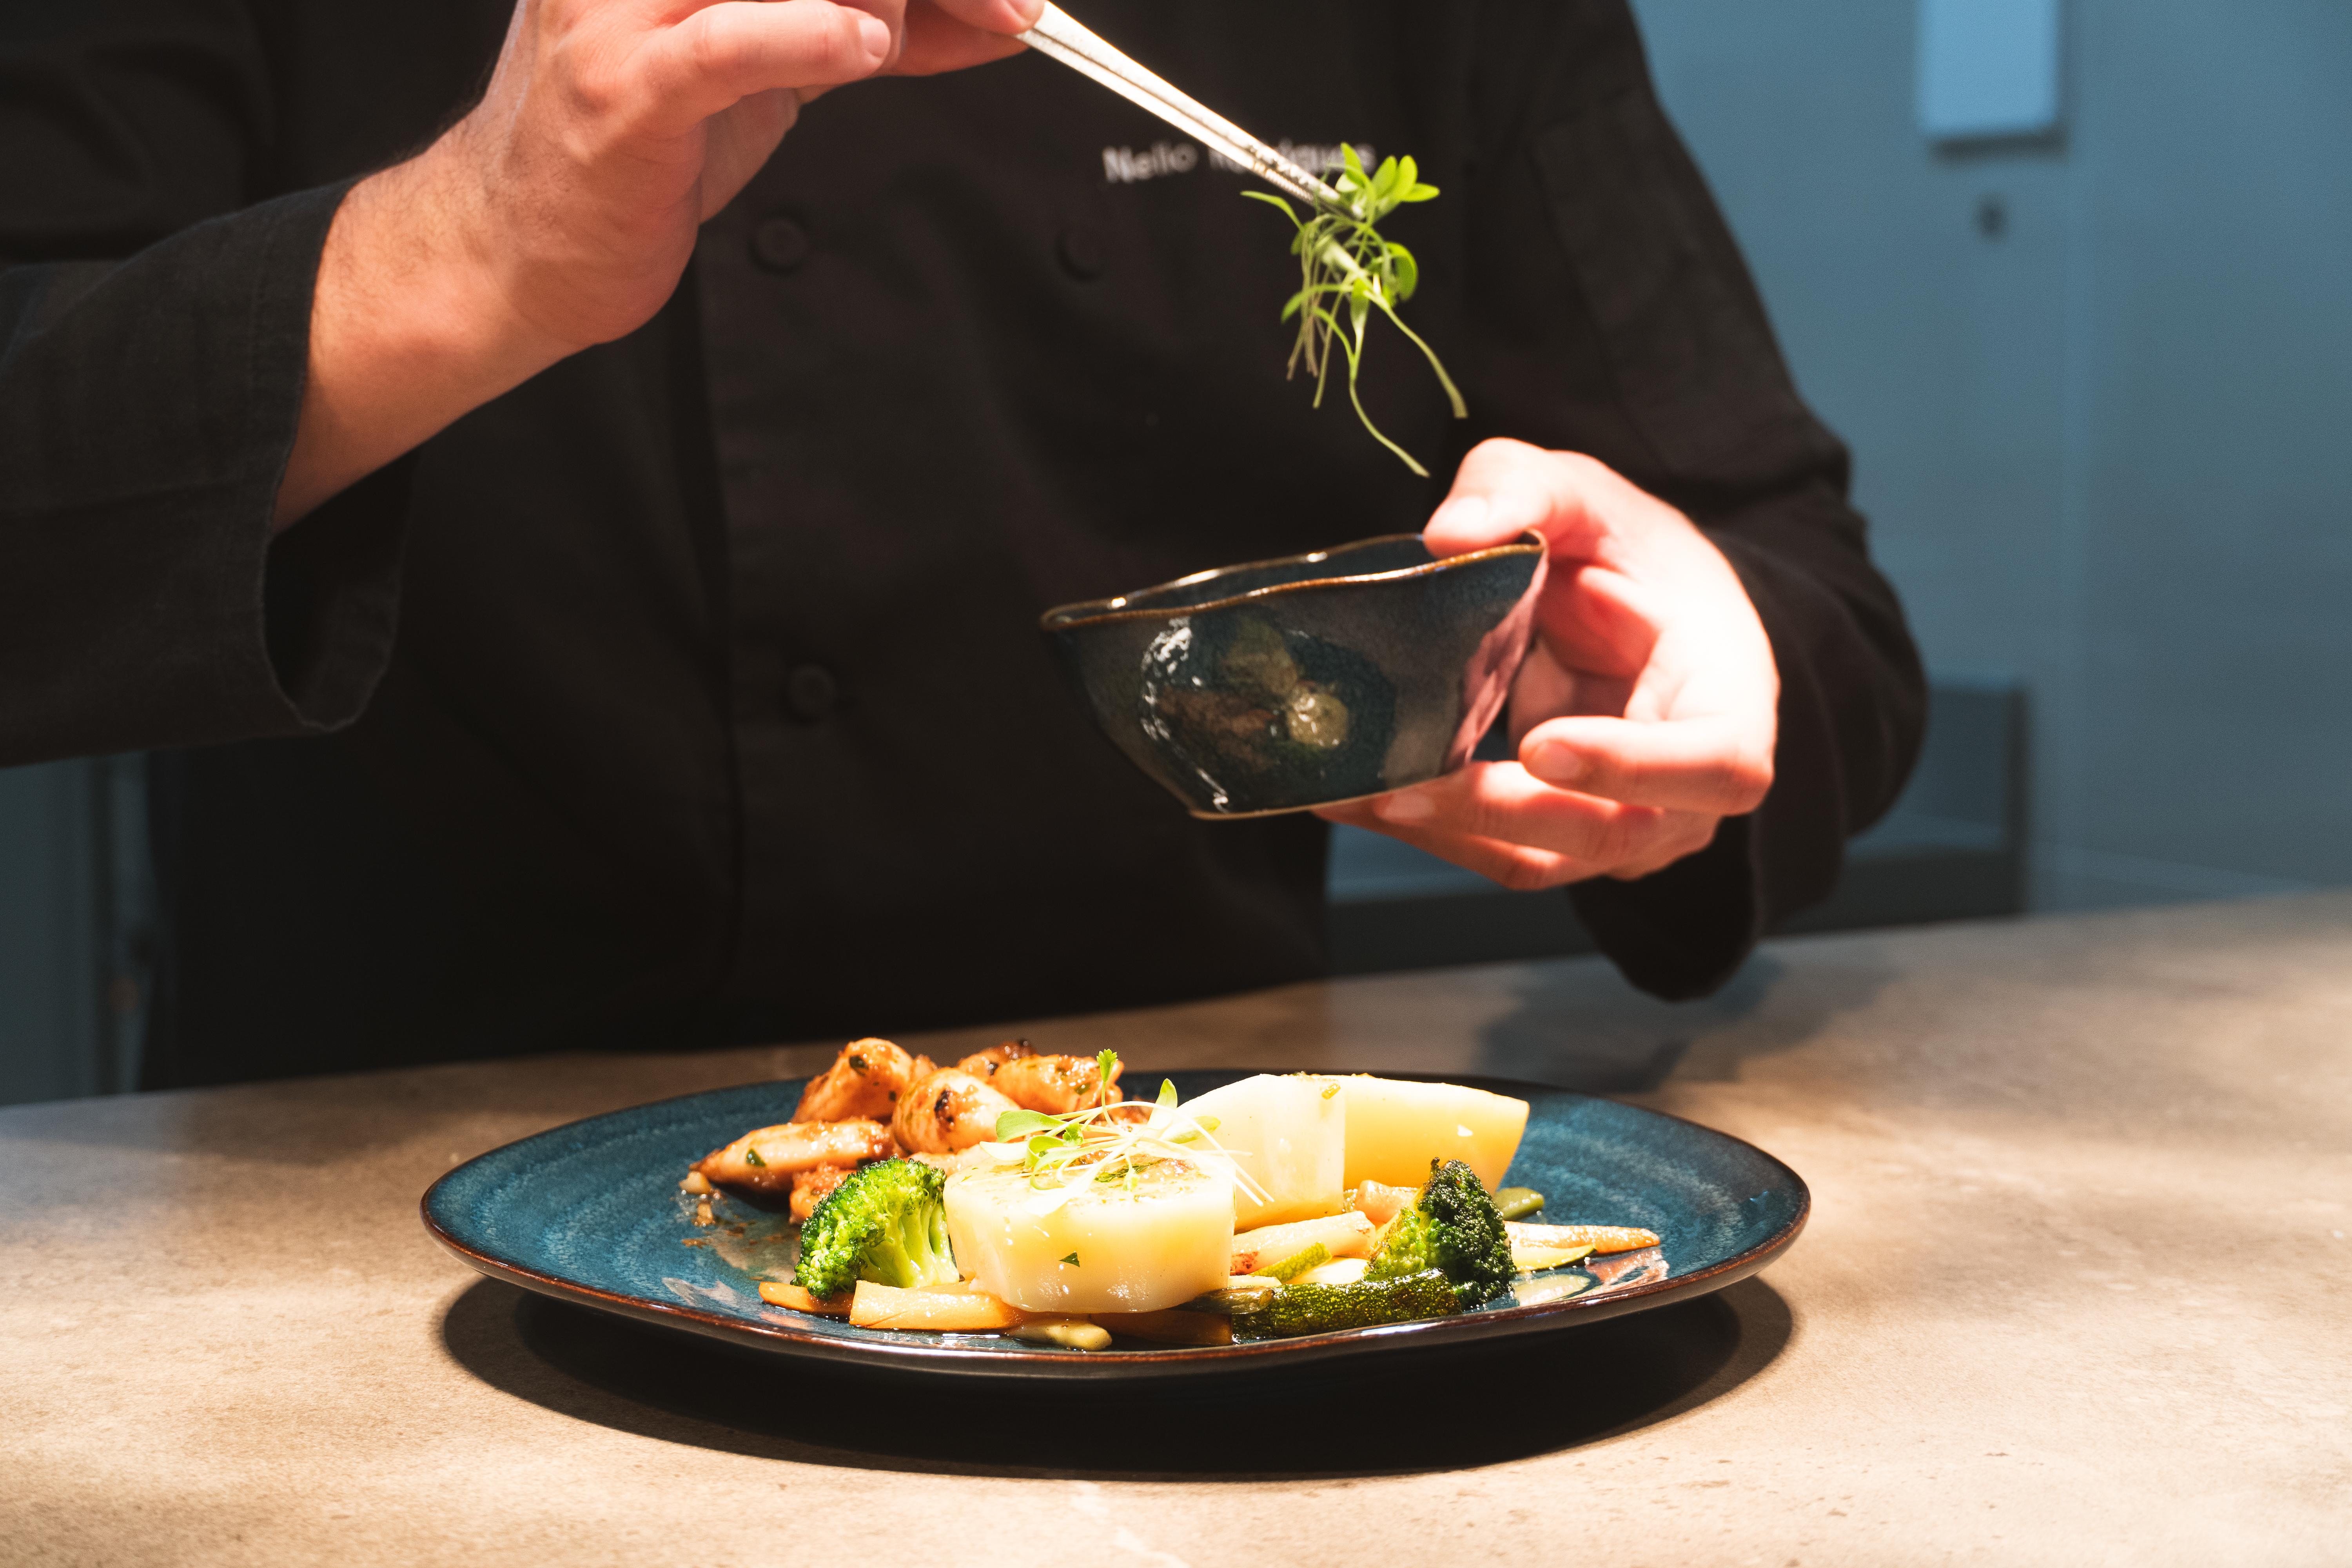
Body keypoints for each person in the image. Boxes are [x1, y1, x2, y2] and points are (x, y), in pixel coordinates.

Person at [0, 0, 1924, 1088]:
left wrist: (1701, 653)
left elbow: (1790, 573)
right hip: (361, 1226)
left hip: (1187, 1225)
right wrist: (468, 248)